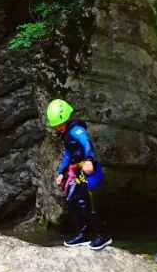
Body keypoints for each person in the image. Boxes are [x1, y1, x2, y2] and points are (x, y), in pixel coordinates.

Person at [46, 98, 112, 251]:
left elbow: (87, 142)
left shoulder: (77, 130)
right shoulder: (67, 136)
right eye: (56, 126)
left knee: (83, 201)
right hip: (78, 172)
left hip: (91, 172)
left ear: (67, 120)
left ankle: (102, 235)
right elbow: (69, 155)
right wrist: (62, 172)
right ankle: (82, 234)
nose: (59, 128)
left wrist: (89, 160)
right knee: (70, 200)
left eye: (60, 124)